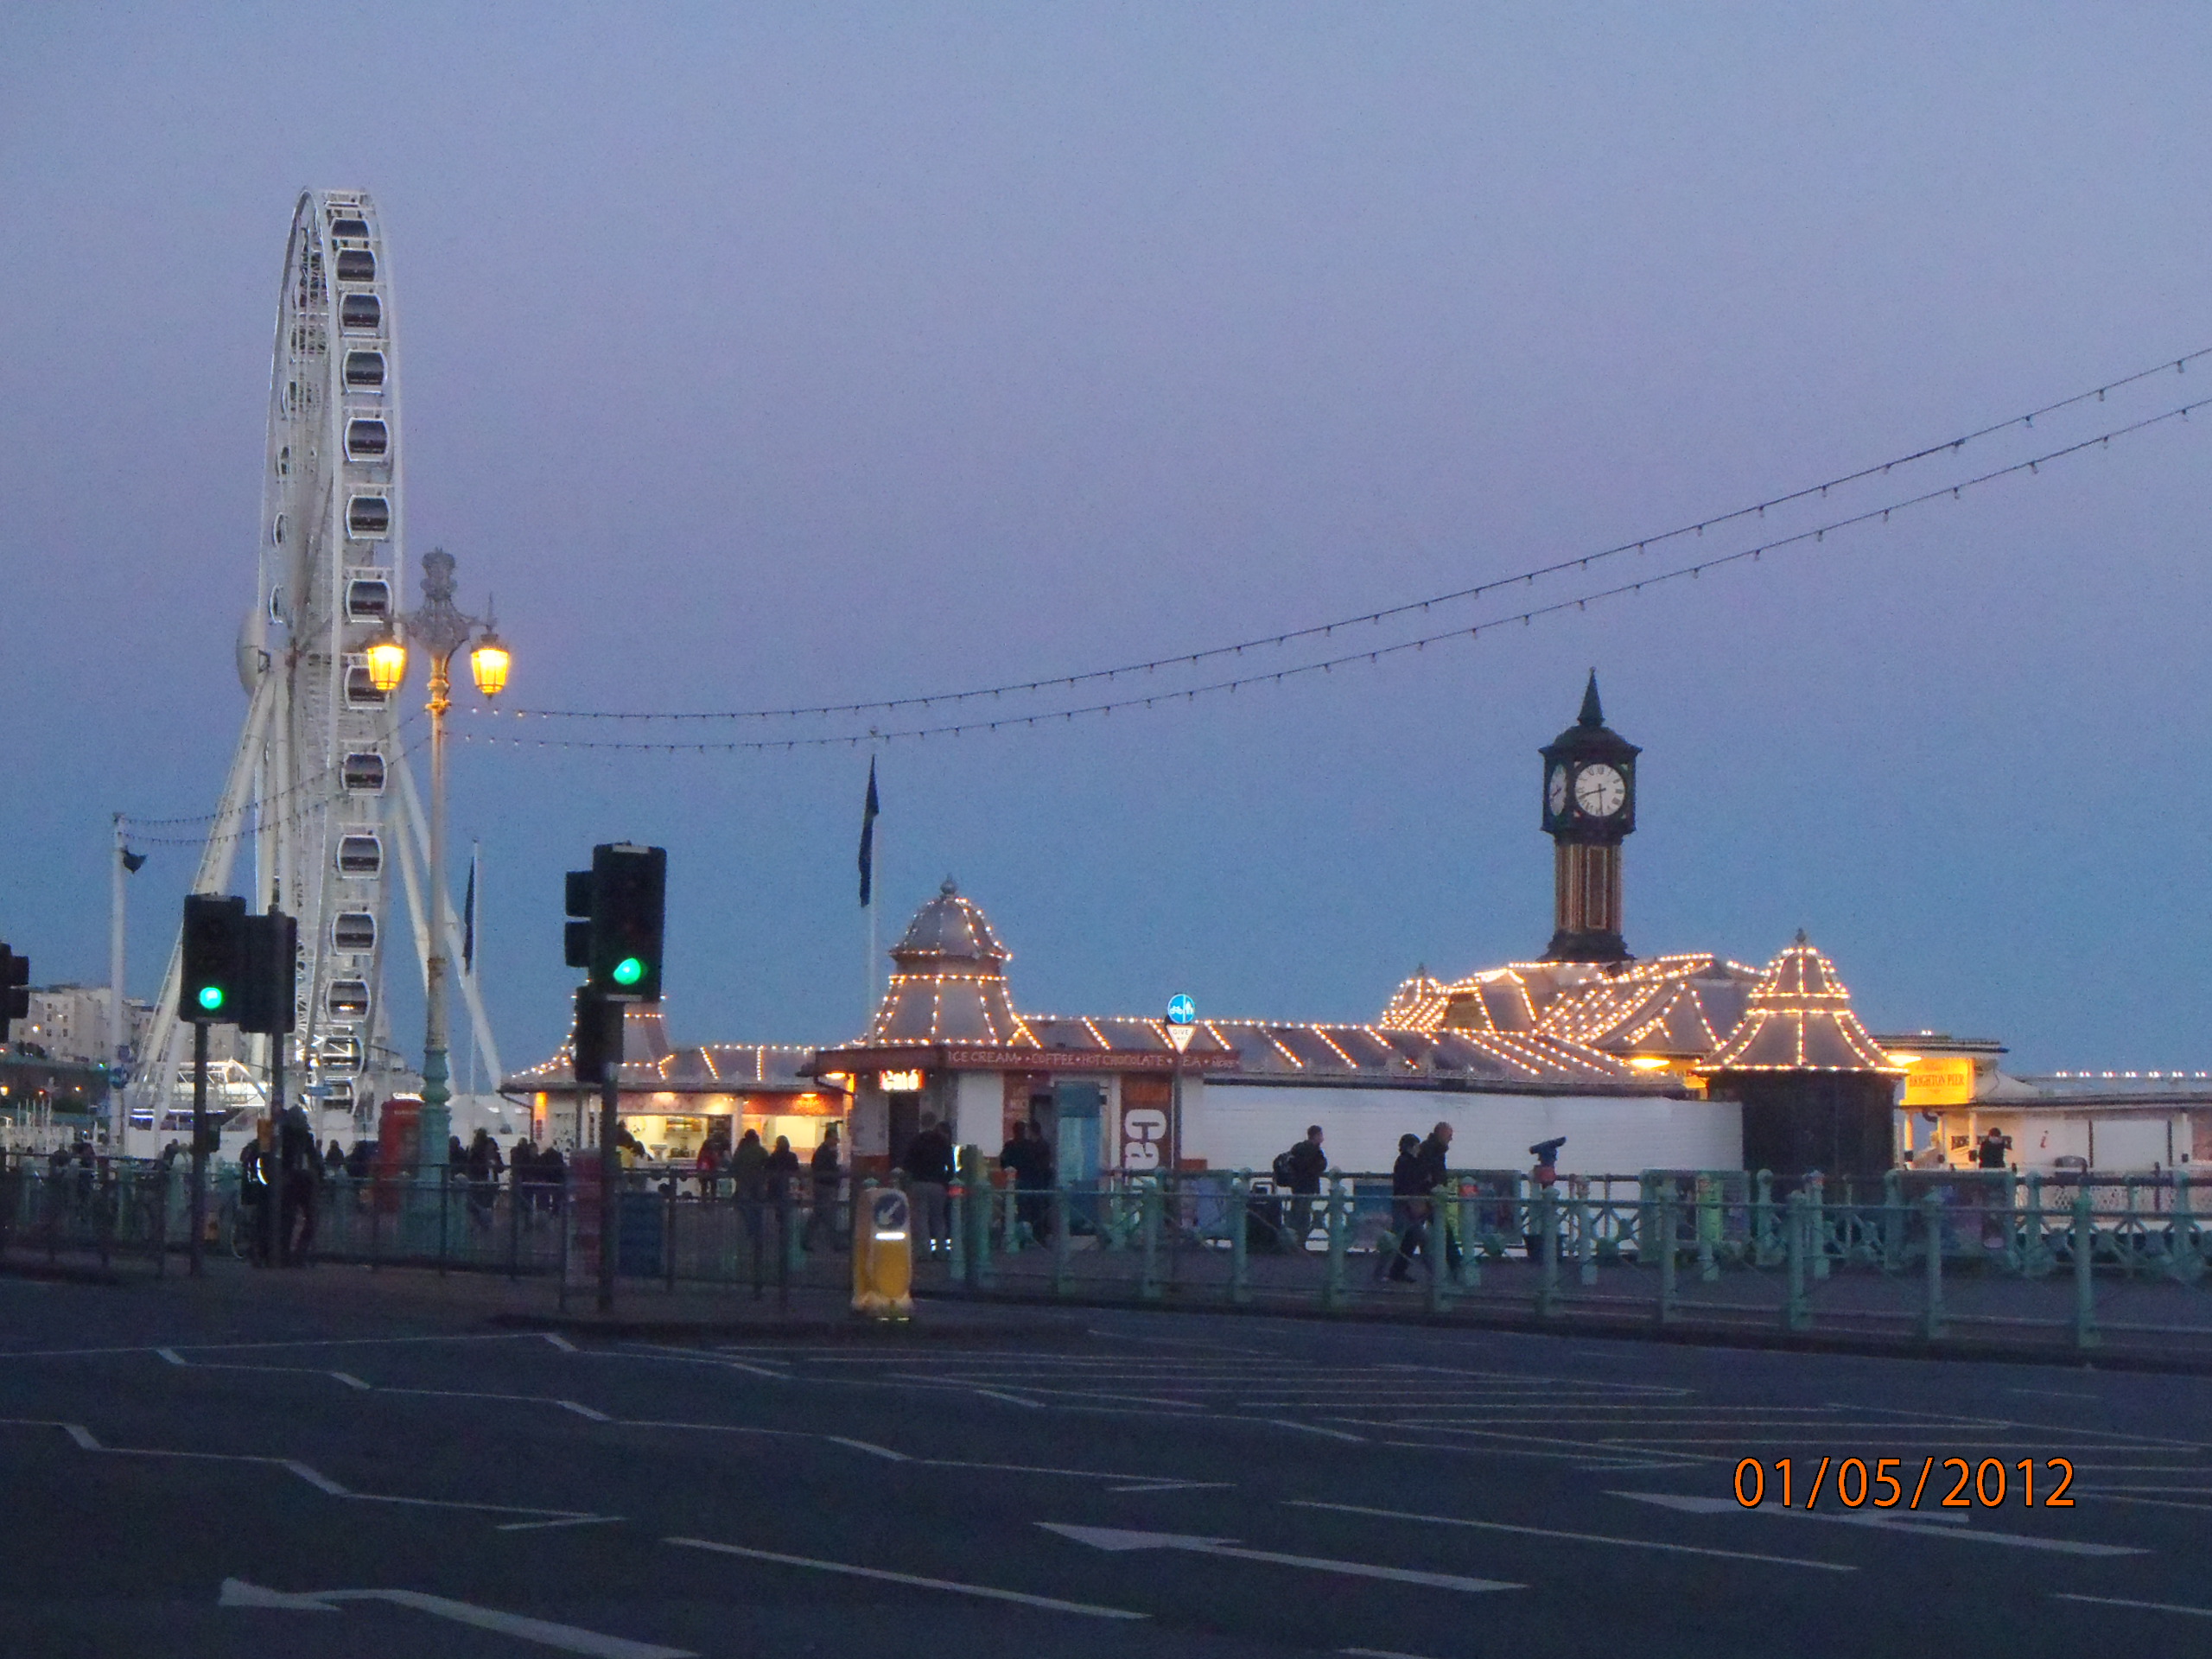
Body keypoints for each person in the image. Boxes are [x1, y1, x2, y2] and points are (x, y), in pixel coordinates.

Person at [1415, 1122, 1462, 1274]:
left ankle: (1398, 1266)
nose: (1451, 1139)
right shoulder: (1432, 1150)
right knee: (1444, 1231)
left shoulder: (1432, 1148)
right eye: (1449, 1135)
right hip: (1429, 1197)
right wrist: (1433, 1186)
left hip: (1429, 1195)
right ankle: (1456, 1266)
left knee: (1412, 1232)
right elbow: (1427, 1172)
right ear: (1441, 1134)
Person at [1379, 1133, 1426, 1281]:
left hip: (1402, 1204)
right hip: (1406, 1206)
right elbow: (1410, 1183)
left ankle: (1393, 1272)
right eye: (1417, 1146)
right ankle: (1439, 1278)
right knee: (1408, 1238)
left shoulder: (1402, 1161)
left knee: (1402, 1239)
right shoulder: (1409, 1162)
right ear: (1412, 1147)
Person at [902, 1118, 954, 1254]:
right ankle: (941, 1249)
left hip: (919, 1183)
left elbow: (906, 1165)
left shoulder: (916, 1141)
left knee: (921, 1218)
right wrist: (946, 1183)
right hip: (938, 1185)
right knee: (938, 1218)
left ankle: (925, 1251)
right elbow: (951, 1168)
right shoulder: (944, 1143)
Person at [1281, 1125, 1328, 1250]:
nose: (1322, 1138)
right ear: (1316, 1136)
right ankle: (1300, 1243)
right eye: (1321, 1135)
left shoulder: (1297, 1148)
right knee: (1304, 1215)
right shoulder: (1315, 1151)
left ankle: (1291, 1241)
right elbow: (1321, 1165)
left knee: (1295, 1212)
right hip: (1308, 1186)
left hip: (1296, 1186)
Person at [729, 1128, 770, 1255]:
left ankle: (751, 1227)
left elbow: (734, 1165)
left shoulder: (741, 1150)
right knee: (757, 1207)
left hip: (744, 1183)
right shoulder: (760, 1150)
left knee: (744, 1205)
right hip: (758, 1184)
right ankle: (758, 1230)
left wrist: (738, 1177)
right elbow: (768, 1164)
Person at [1525, 1136, 1566, 1260]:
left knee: (1543, 1220)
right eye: (1553, 1156)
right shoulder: (1542, 1173)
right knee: (1544, 1219)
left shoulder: (1538, 1174)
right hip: (1544, 1211)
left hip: (1542, 1211)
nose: (1555, 1159)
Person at [805, 1125, 845, 1251]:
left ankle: (807, 1240)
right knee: (828, 1215)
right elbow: (827, 1169)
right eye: (835, 1139)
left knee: (819, 1215)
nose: (836, 1142)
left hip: (823, 1186)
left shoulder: (823, 1152)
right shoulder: (826, 1153)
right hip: (825, 1186)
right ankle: (835, 1243)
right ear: (828, 1139)